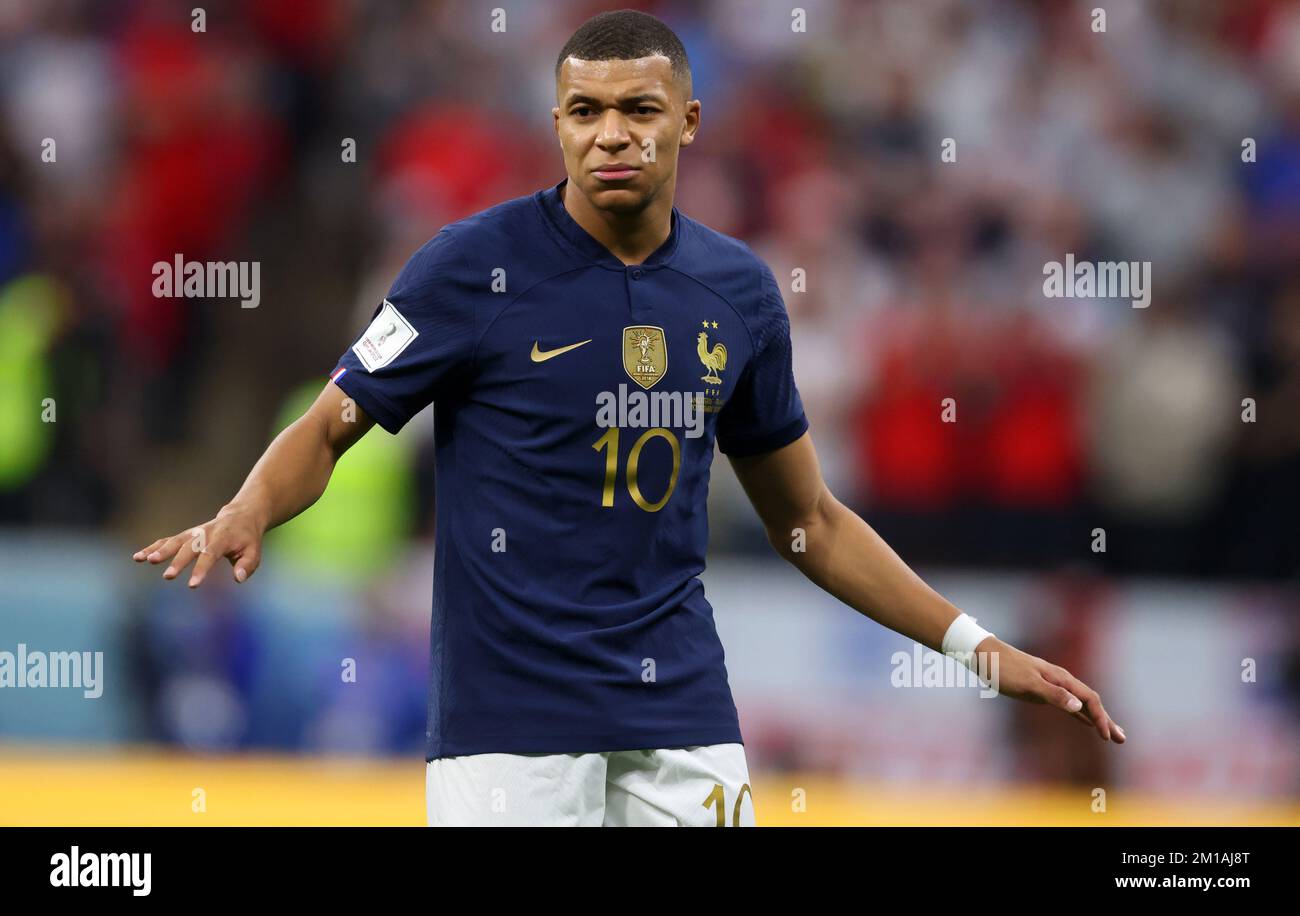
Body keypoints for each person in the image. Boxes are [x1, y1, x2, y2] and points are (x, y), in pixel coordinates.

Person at [133, 9, 1124, 827]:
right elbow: (332, 422)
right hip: (506, 726)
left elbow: (807, 521)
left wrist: (978, 648)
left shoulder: (735, 292)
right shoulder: (467, 267)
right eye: (584, 111)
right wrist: (248, 507)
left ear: (688, 121)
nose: (610, 132)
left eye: (638, 109)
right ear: (557, 125)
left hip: (680, 708)